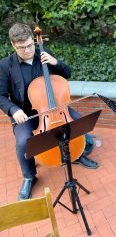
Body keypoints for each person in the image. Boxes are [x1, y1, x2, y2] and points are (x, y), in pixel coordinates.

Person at [0, 23, 98, 201]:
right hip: (26, 114)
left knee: (77, 123)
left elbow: (66, 74)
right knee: (23, 142)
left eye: (30, 45)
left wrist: (56, 63)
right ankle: (29, 176)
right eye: (22, 48)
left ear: (33, 40)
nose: (28, 50)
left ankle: (77, 154)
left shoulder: (44, 55)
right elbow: (1, 96)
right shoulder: (5, 65)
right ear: (14, 45)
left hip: (54, 107)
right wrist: (13, 110)